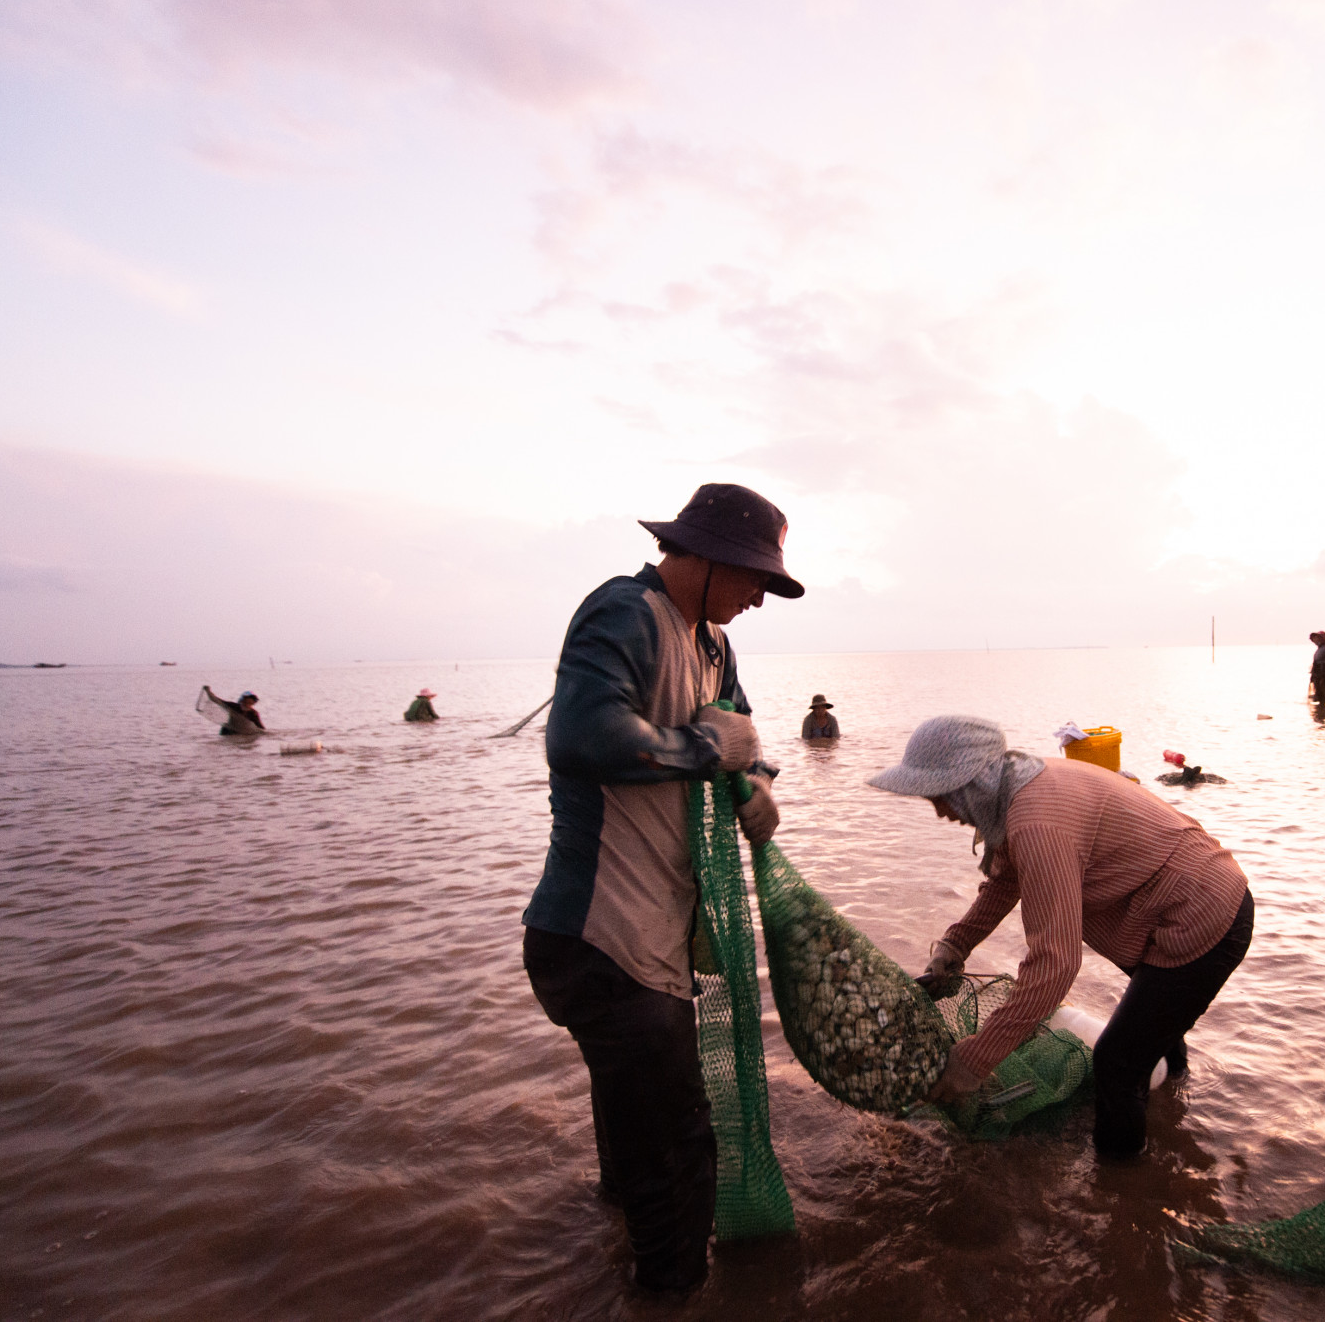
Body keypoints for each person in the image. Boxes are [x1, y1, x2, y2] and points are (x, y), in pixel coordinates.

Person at [519, 483, 803, 1295]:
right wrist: (701, 748)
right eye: (752, 578)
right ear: (705, 558)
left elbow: (737, 733)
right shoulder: (624, 613)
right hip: (599, 936)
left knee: (632, 1139)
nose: (756, 598)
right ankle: (671, 1294)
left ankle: (619, 1261)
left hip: (650, 939)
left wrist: (755, 780)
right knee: (677, 1144)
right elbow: (580, 738)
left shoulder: (714, 643)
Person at [869, 715, 1253, 1160]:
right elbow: (1005, 881)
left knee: (1116, 1064)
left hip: (1202, 915)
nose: (939, 811)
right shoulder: (1017, 786)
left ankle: (1124, 1198)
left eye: (940, 797)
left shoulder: (1036, 821)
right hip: (1170, 911)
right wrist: (956, 945)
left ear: (968, 786)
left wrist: (972, 1063)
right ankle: (1172, 1112)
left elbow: (1055, 966)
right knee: (1151, 1029)